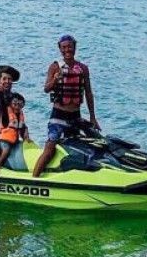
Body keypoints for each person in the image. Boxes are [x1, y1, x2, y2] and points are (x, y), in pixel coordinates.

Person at [32, 35, 99, 177]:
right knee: (50, 148)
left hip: (76, 117)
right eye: (64, 47)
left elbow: (88, 93)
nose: (67, 50)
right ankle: (35, 178)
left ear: (74, 47)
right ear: (60, 49)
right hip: (58, 116)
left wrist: (93, 117)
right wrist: (55, 80)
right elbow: (46, 89)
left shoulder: (83, 68)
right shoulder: (55, 66)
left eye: (70, 46)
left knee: (82, 147)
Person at [0, 92, 30, 173]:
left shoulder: (20, 115)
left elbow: (22, 127)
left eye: (20, 105)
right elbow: (1, 103)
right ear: (10, 103)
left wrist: (26, 137)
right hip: (3, 140)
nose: (17, 107)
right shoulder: (6, 112)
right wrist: (0, 93)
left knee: (23, 146)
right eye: (15, 104)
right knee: (6, 151)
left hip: (14, 140)